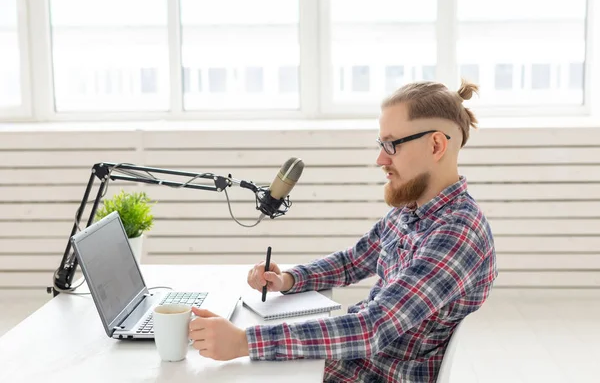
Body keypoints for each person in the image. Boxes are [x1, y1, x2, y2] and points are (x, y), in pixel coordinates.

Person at [188, 80, 498, 382]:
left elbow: (371, 330)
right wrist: (289, 279)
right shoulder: (412, 208)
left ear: (436, 145)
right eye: (381, 145)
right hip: (351, 364)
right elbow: (354, 260)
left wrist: (245, 343)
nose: (380, 159)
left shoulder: (457, 235)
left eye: (391, 145)